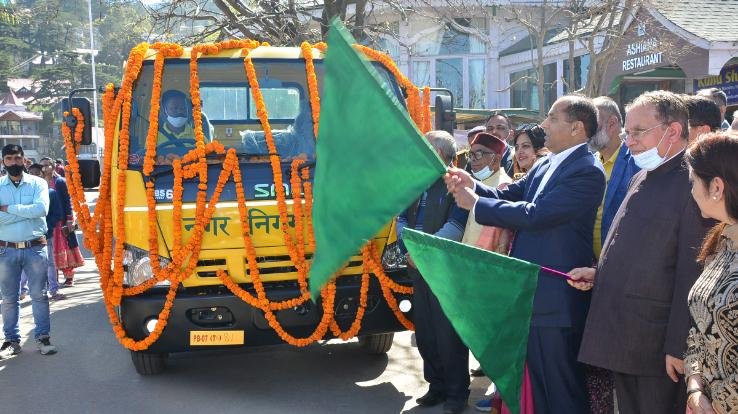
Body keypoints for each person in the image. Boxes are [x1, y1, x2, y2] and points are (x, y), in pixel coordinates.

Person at [446, 95, 606, 414]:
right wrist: (474, 188)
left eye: (551, 118)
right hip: (531, 294)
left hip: (557, 297)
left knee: (561, 389)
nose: (543, 125)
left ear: (576, 128)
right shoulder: (546, 162)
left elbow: (537, 214)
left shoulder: (588, 171)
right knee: (539, 390)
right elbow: (512, 195)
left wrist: (476, 204)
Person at [572, 91, 711, 414]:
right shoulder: (641, 174)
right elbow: (636, 249)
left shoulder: (693, 184)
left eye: (637, 132)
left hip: (658, 346)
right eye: (627, 132)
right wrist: (599, 274)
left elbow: (692, 273)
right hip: (625, 334)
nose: (628, 141)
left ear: (672, 131)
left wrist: (679, 345)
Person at [398, 130, 470, 414]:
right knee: (426, 332)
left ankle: (456, 394)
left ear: (441, 155)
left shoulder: (456, 185)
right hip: (417, 268)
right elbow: (401, 218)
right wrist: (411, 251)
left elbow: (456, 227)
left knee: (447, 335)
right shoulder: (416, 183)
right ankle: (436, 386)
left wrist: (423, 253)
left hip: (443, 271)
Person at [682, 132, 738, 414]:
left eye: (693, 182)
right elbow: (700, 327)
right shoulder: (720, 242)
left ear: (716, 186)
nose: (690, 190)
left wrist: (718, 404)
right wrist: (694, 387)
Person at [0, 144, 57, 358]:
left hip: (35, 248)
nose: (13, 162)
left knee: (39, 296)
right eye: (9, 159)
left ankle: (43, 338)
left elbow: (41, 209)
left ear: (24, 160)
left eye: (17, 158)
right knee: (8, 299)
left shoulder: (38, 183)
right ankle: (11, 341)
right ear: (3, 162)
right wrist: (26, 213)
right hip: (6, 251)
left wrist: (7, 209)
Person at [19, 164, 66, 301]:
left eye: (37, 173)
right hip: (25, 235)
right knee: (25, 263)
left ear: (42, 175)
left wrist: (46, 227)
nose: (34, 175)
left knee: (50, 263)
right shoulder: (23, 194)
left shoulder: (51, 192)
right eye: (31, 173)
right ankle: (22, 291)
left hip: (45, 235)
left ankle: (53, 290)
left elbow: (57, 214)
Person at [461, 132, 512, 253]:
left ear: (497, 158)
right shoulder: (481, 183)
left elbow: (490, 236)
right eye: (471, 154)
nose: (472, 159)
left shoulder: (503, 186)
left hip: (481, 261)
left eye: (478, 154)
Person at [39, 157, 83, 287]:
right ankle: (53, 278)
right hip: (47, 221)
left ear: (53, 166)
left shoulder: (60, 182)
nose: (45, 168)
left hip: (61, 221)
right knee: (49, 250)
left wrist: (69, 219)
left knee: (64, 247)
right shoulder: (40, 183)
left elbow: (67, 201)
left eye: (47, 165)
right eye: (42, 166)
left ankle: (69, 275)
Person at [484, 111, 515, 178]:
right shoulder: (475, 157)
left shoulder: (517, 157)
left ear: (510, 133)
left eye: (500, 128)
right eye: (490, 129)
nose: (494, 132)